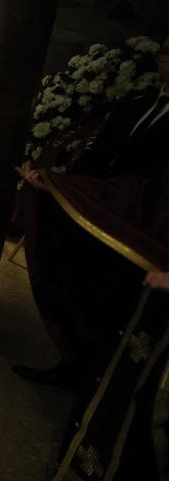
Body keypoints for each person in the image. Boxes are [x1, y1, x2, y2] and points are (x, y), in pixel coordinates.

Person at [13, 41, 169, 390]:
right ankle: (73, 364)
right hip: (96, 219)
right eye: (165, 52)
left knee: (117, 307)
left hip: (141, 231)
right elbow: (94, 159)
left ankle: (102, 380)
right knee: (77, 287)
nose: (167, 60)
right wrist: (55, 185)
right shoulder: (132, 106)